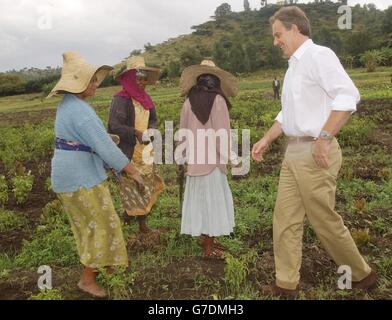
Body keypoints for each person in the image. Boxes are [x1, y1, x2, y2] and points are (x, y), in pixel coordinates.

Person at [252, 6, 378, 297]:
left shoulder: (319, 56)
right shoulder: (293, 66)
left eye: (278, 34)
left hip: (315, 152)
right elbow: (288, 114)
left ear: (295, 29)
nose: (275, 41)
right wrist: (266, 139)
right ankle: (286, 284)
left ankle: (362, 275)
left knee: (323, 219)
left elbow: (348, 96)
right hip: (293, 153)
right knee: (285, 219)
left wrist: (324, 137)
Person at [49, 51, 144, 298]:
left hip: (70, 177)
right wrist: (132, 171)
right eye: (92, 81)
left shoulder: (70, 106)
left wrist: (103, 141)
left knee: (92, 226)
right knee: (101, 226)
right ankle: (87, 280)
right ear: (79, 83)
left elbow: (87, 140)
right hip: (81, 179)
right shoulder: (80, 111)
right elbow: (103, 147)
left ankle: (108, 270)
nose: (95, 84)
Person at [179, 60, 239, 258]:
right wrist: (230, 157)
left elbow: (184, 133)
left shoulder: (188, 102)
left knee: (201, 201)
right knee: (212, 202)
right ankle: (208, 249)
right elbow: (223, 133)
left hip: (196, 161)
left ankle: (207, 240)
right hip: (212, 161)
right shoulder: (218, 101)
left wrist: (185, 156)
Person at [108, 56, 165, 234]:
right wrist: (136, 133)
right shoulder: (121, 99)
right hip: (129, 151)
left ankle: (137, 220)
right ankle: (135, 221)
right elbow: (114, 125)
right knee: (133, 185)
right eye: (138, 78)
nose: (142, 82)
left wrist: (151, 130)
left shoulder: (146, 99)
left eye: (144, 79)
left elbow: (154, 119)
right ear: (130, 79)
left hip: (146, 150)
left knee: (145, 185)